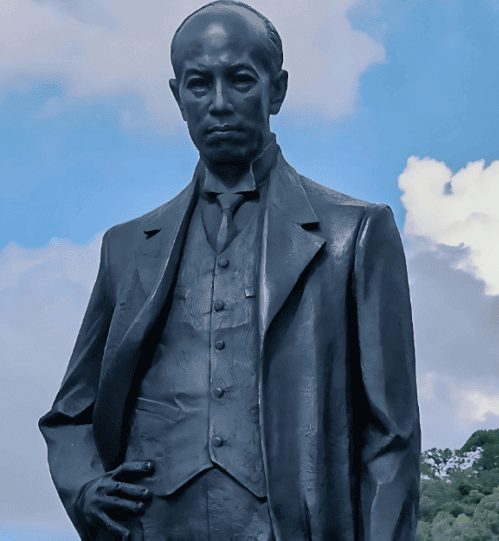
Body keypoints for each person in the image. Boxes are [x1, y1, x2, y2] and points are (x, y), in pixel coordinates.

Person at [38, 2, 420, 539]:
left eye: (240, 80)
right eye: (199, 85)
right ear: (178, 97)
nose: (219, 103)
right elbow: (70, 416)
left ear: (277, 89)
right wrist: (85, 490)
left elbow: (392, 437)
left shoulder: (354, 235)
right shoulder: (126, 249)